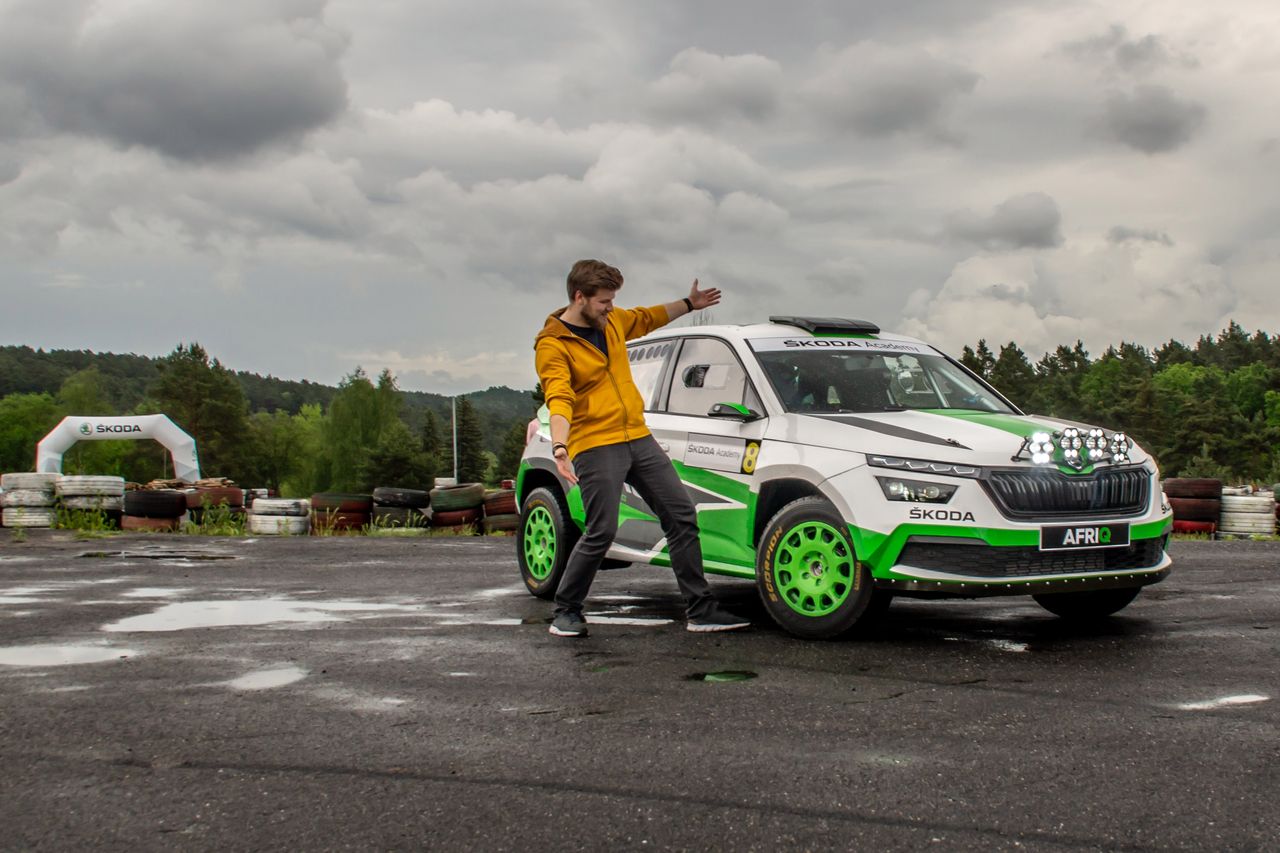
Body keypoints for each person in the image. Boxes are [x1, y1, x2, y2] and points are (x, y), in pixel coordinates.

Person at [533, 259, 751, 638]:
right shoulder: (554, 345)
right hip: (596, 443)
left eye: (614, 300)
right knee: (601, 529)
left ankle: (700, 610)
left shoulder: (613, 322)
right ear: (579, 297)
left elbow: (649, 317)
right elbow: (560, 397)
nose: (611, 307)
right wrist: (560, 446)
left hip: (637, 435)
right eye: (604, 301)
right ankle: (566, 611)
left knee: (682, 516)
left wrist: (689, 303)